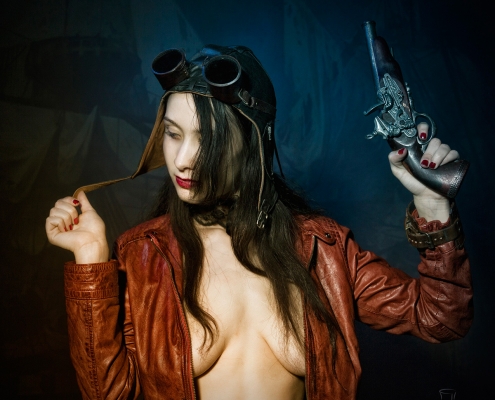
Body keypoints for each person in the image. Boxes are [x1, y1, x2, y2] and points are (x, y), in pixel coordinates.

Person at [45, 45, 472, 400]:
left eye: (206, 139)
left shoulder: (322, 249)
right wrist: (90, 261)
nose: (183, 159)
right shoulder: (143, 254)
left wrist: (432, 204)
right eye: (173, 134)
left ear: (252, 142)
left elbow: (443, 317)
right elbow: (108, 394)